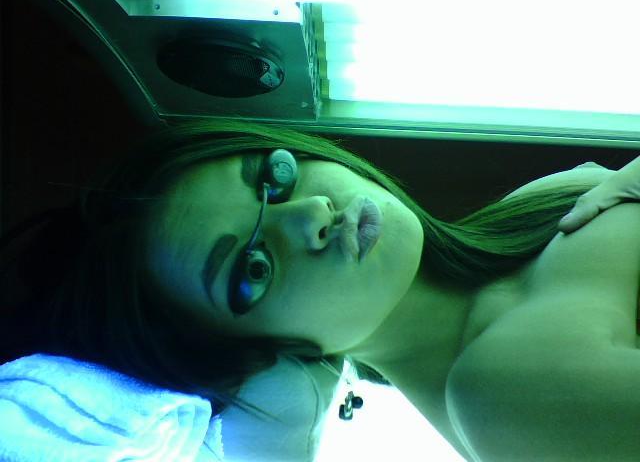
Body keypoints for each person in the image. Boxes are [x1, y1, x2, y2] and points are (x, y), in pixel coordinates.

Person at [0, 117, 638, 461]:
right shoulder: (503, 394)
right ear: (260, 353)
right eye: (254, 268)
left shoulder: (537, 201)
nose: (310, 215)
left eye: (275, 178)